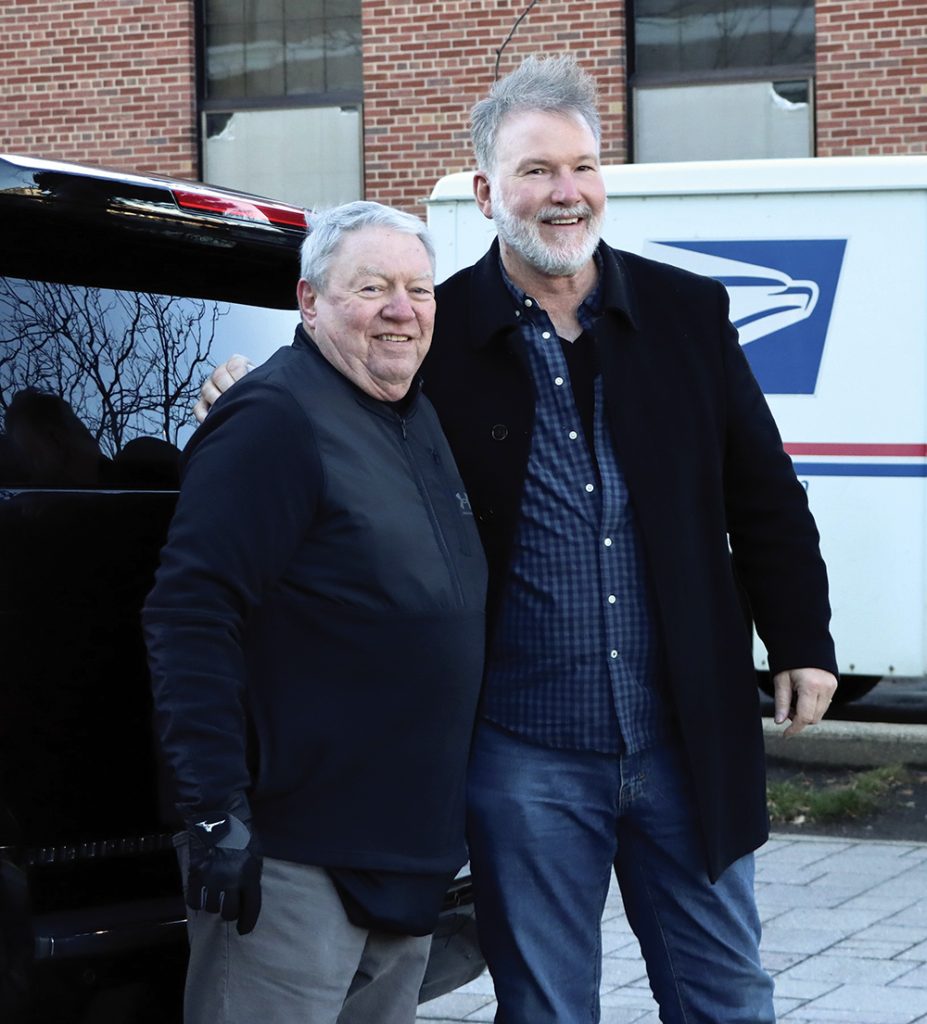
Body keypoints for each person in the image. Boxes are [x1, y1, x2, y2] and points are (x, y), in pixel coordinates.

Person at [197, 56, 838, 1024]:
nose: (565, 192)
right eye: (536, 170)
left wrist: (802, 640)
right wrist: (234, 403)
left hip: (681, 731)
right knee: (546, 1005)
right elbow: (334, 405)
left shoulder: (686, 313)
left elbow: (762, 490)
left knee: (727, 994)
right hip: (522, 747)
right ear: (489, 190)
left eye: (581, 166)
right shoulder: (436, 332)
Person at [143, 201, 487, 1024]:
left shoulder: (413, 415)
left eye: (418, 288)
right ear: (309, 302)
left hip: (403, 854)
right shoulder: (275, 418)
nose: (402, 310)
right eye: (372, 288)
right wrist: (216, 810)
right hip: (293, 858)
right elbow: (190, 613)